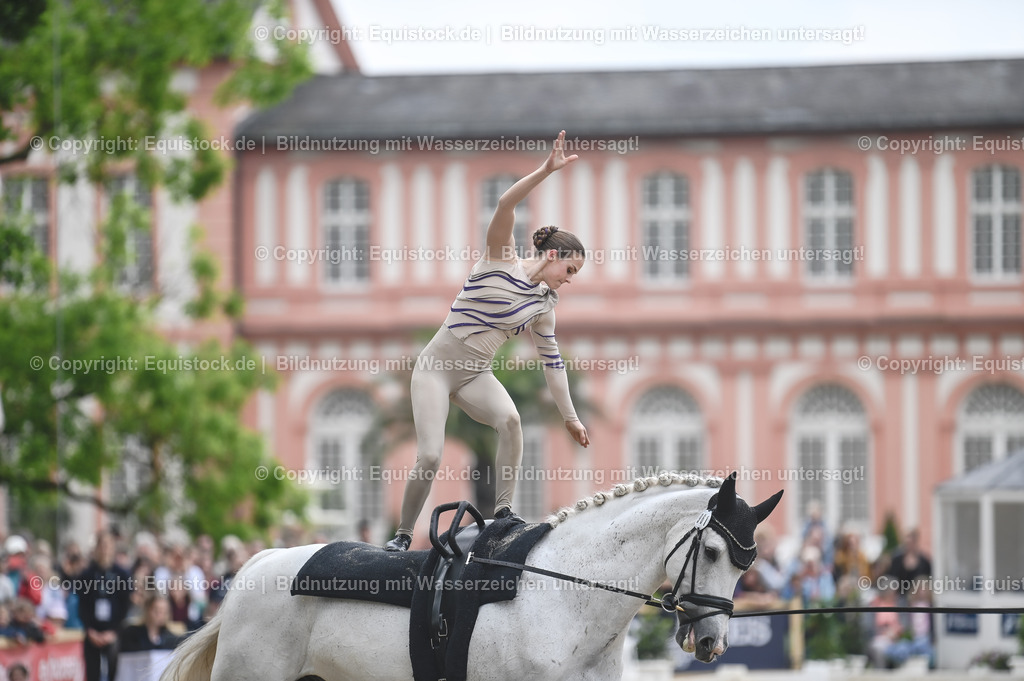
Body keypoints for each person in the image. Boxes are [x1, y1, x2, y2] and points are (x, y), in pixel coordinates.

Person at [384, 130, 590, 551]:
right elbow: (505, 204)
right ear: (553, 256)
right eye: (570, 271)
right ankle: (403, 536)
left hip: (476, 374)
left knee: (511, 421)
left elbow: (553, 366)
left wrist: (570, 416)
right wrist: (545, 171)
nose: (569, 282)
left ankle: (502, 514)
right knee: (429, 456)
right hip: (436, 371)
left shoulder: (544, 307)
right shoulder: (499, 258)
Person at [78, 530, 133, 681]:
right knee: (92, 672)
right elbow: (82, 605)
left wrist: (114, 631)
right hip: (93, 631)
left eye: (108, 545)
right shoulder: (87, 574)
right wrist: (89, 629)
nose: (105, 549)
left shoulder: (122, 574)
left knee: (115, 671)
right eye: (101, 545)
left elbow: (125, 605)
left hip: (113, 632)